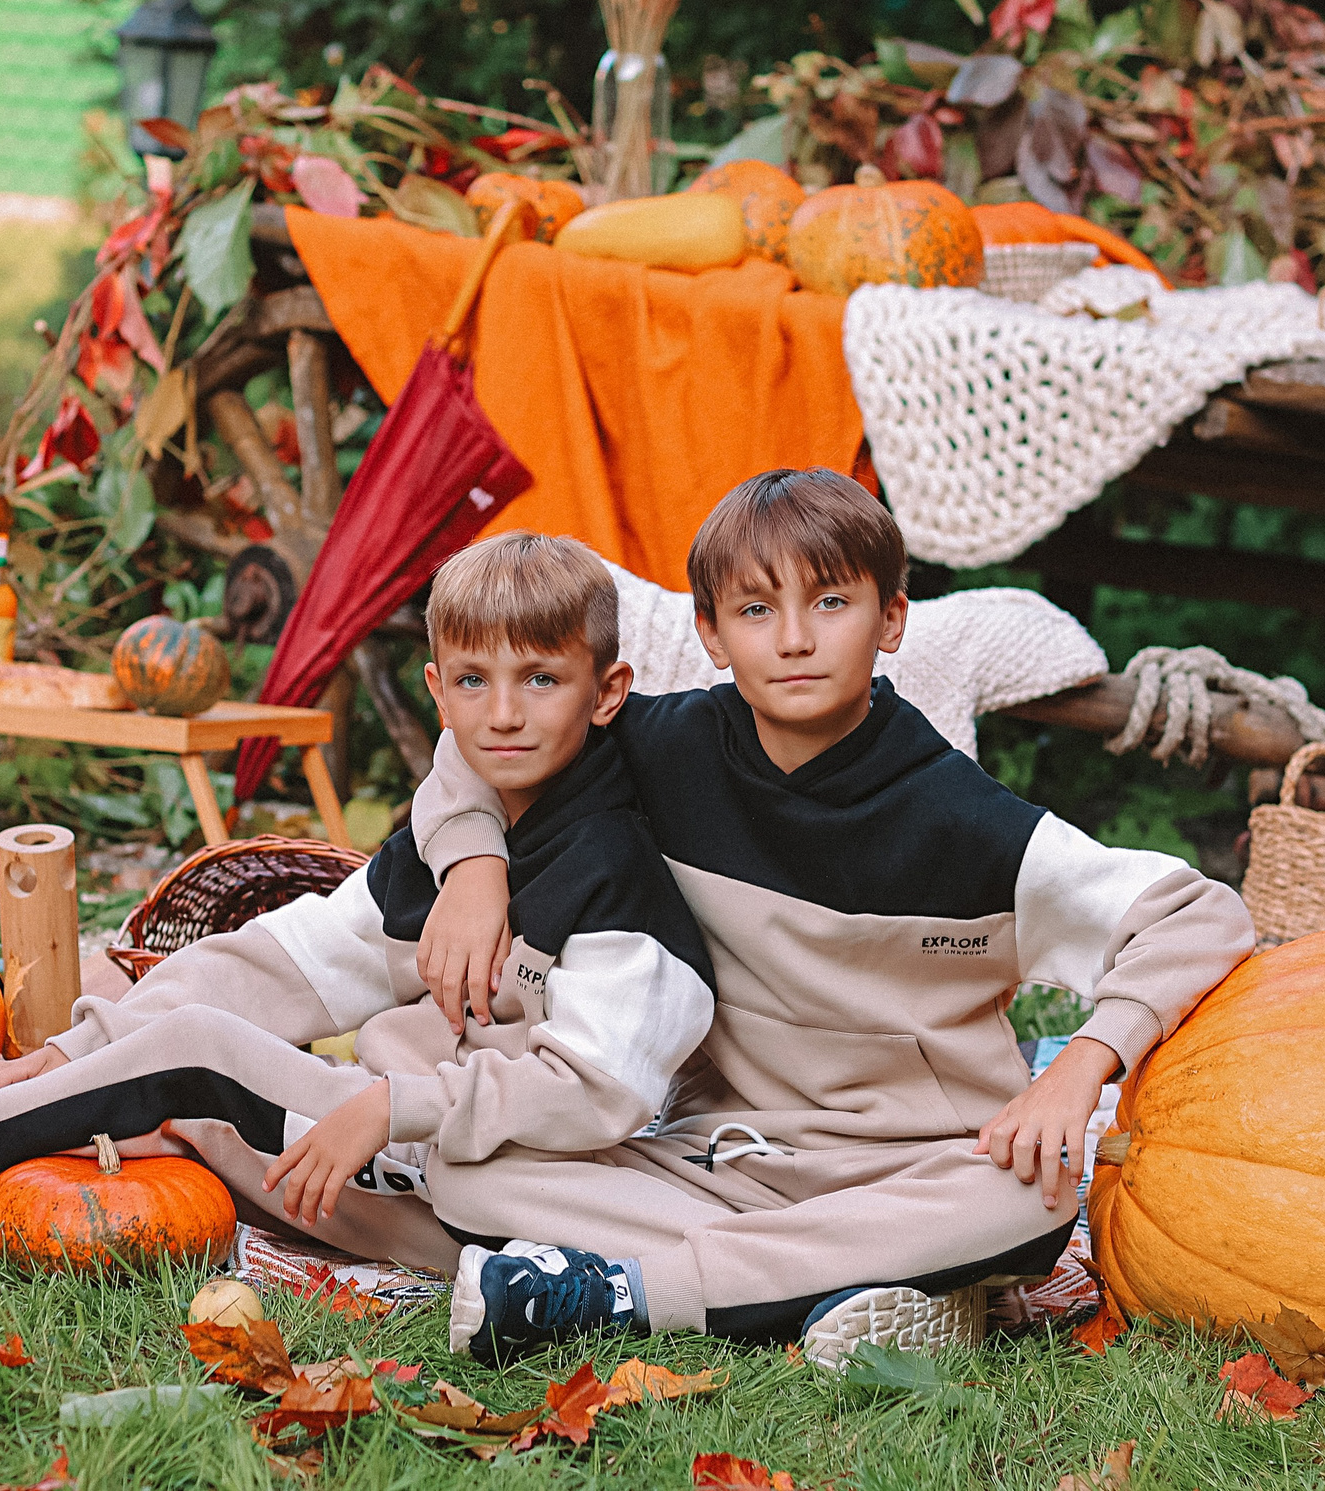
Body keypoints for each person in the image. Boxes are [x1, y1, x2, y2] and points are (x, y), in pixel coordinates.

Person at [0, 532, 714, 1305]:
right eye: (474, 681)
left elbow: (603, 1095)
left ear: (605, 692)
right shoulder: (453, 845)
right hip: (418, 1167)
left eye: (540, 680)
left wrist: (392, 1104)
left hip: (530, 1202)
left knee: (195, 1061)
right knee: (154, 1059)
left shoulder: (614, 873)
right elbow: (276, 966)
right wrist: (67, 1049)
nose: (505, 712)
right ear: (437, 690)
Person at [411, 468, 1255, 1367]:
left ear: (891, 620)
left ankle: (622, 1295)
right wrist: (471, 867)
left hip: (911, 1167)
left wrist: (1080, 1066)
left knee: (1031, 1198)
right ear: (713, 633)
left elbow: (1199, 914)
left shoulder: (964, 822)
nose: (797, 640)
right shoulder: (660, 751)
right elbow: (493, 735)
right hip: (716, 1161)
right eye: (758, 611)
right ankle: (860, 1287)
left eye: (830, 602)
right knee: (467, 1165)